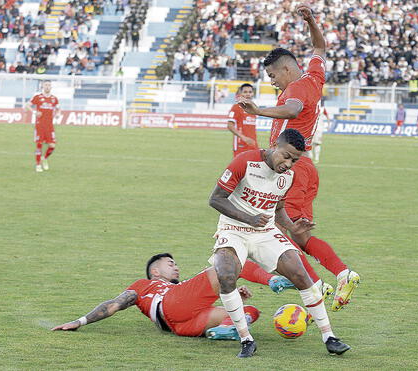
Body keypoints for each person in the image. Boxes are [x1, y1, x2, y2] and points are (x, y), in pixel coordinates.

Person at [236, 4, 360, 313]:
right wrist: (310, 20)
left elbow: (291, 111)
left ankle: (319, 283)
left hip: (293, 168)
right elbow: (319, 46)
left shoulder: (298, 89)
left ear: (286, 69)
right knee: (295, 232)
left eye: (272, 75)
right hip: (297, 168)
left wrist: (257, 109)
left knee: (277, 232)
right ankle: (338, 274)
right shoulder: (313, 77)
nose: (272, 80)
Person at [209, 129, 350, 358]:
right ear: (275, 145)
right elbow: (215, 199)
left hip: (265, 232)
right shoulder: (245, 161)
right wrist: (249, 218)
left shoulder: (287, 177)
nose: (288, 164)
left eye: (294, 160)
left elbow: (279, 208)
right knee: (226, 274)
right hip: (233, 229)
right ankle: (246, 340)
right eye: (286, 156)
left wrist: (293, 227)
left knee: (300, 273)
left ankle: (330, 337)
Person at [51, 253, 289, 340]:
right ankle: (273, 280)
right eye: (170, 264)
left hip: (180, 326)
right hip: (172, 306)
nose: (176, 267)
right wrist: (80, 321)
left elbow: (195, 305)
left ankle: (223, 331)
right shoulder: (145, 285)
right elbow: (116, 303)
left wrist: (234, 293)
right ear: (155, 272)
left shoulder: (181, 287)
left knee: (250, 312)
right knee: (228, 261)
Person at [26, 80, 60, 173]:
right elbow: (28, 105)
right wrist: (34, 112)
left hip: (50, 126)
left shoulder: (54, 99)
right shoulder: (38, 97)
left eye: (49, 85)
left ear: (51, 87)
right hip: (40, 125)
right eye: (46, 85)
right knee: (39, 145)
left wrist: (58, 114)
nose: (47, 87)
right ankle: (38, 165)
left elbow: (58, 109)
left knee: (52, 145)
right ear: (42, 86)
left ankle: (44, 158)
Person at [227, 83, 258, 157]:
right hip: (241, 145)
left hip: (253, 144)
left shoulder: (254, 108)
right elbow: (230, 125)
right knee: (240, 167)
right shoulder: (236, 107)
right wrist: (243, 138)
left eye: (250, 92)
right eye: (245, 92)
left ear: (253, 94)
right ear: (240, 93)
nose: (248, 94)